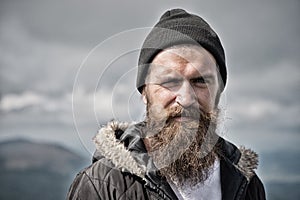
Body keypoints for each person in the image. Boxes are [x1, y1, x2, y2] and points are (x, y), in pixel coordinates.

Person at [67, 8, 266, 200]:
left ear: (218, 92)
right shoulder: (101, 186)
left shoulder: (246, 184)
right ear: (145, 93)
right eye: (170, 82)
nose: (187, 99)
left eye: (200, 81)